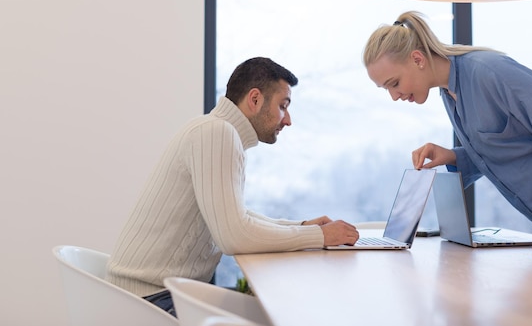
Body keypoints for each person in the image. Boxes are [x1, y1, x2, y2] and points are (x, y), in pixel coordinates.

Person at [106, 57, 359, 315]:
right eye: (283, 106)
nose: (288, 120)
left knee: (276, 311)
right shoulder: (217, 134)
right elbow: (234, 236)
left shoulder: (215, 131)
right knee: (286, 313)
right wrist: (320, 236)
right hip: (149, 302)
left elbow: (238, 218)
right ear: (255, 99)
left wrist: (302, 227)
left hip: (149, 294)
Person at [362, 11, 532, 252]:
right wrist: (454, 157)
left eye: (393, 84)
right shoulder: (450, 94)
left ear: (417, 59)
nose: (394, 96)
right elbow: (506, 146)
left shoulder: (489, 71)